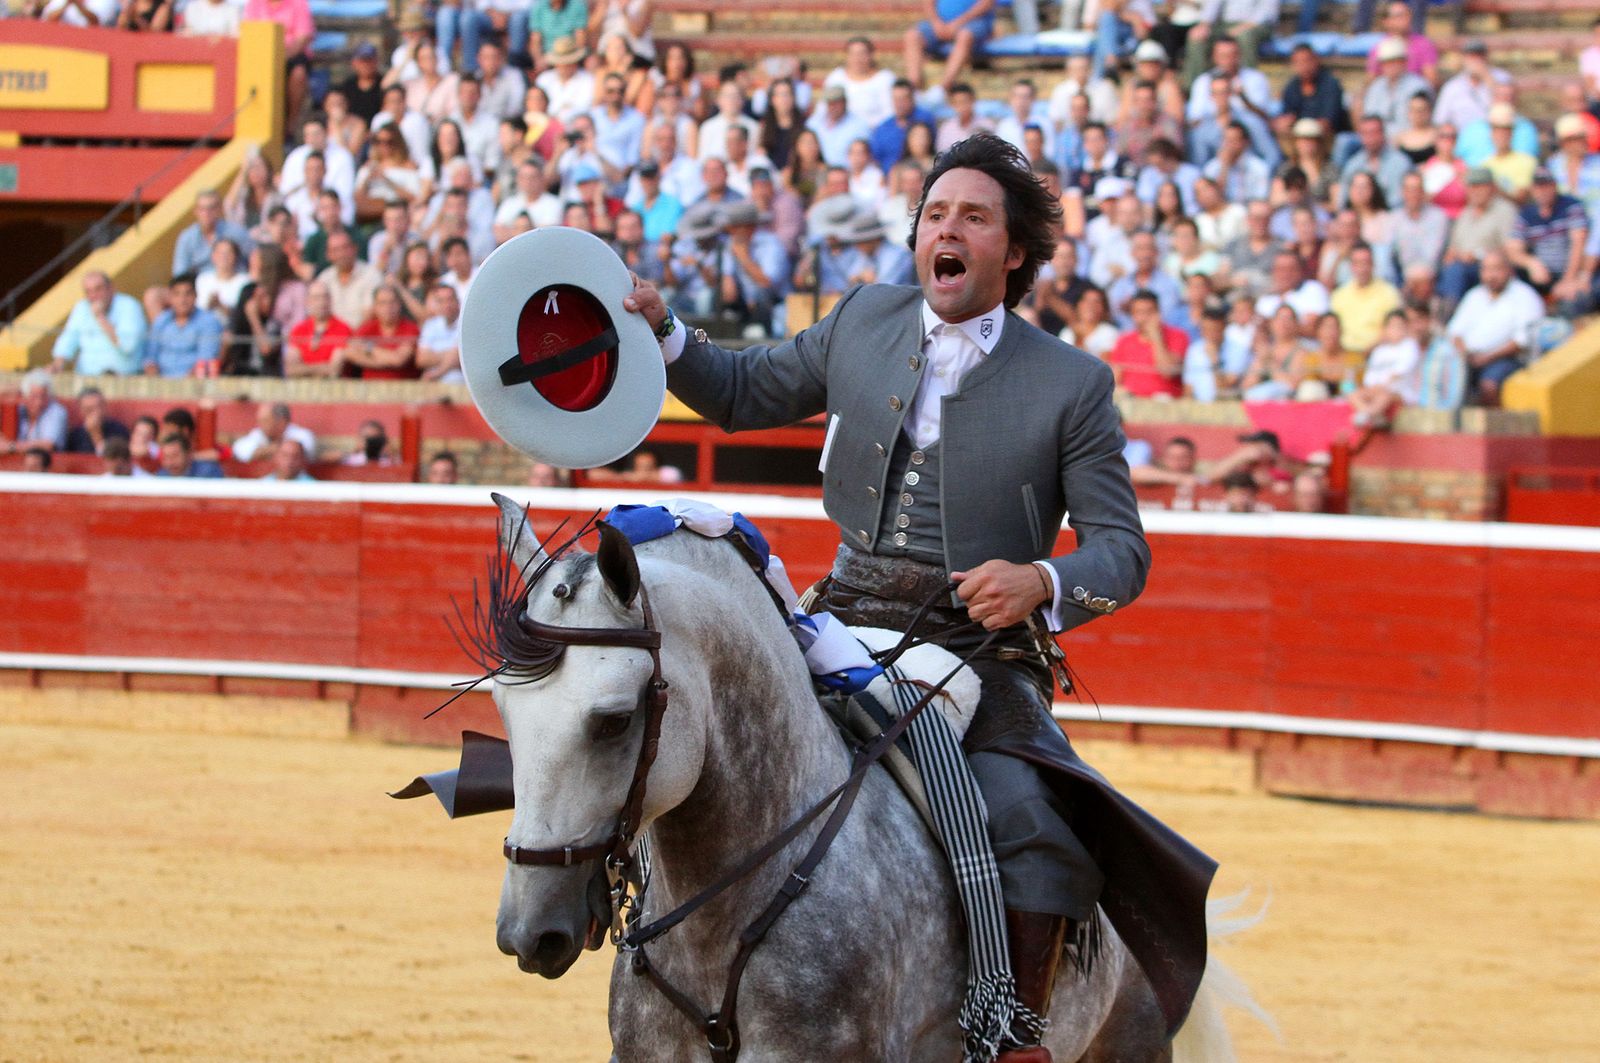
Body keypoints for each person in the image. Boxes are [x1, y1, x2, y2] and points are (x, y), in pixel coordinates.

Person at [622, 132, 1211, 1060]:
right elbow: (738, 389)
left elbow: (1122, 553)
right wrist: (664, 332)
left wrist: (1042, 580)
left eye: (974, 217)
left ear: (1011, 253)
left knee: (1032, 819)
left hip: (980, 649)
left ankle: (1013, 1031)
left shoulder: (1073, 384)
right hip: (838, 614)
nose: (949, 228)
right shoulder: (865, 318)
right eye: (936, 213)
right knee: (692, 732)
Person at [1446, 249, 1544, 406]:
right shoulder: (1474, 295)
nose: (1491, 275)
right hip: (1469, 358)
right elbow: (1455, 331)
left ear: (1509, 271)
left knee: (1488, 385)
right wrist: (1464, 353)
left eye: (1497, 269)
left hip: (1508, 359)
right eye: (1486, 269)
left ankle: (1496, 427)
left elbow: (1521, 341)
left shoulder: (1525, 296)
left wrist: (1486, 358)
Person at [51, 271, 148, 376]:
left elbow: (128, 346)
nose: (93, 296)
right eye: (88, 291)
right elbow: (68, 338)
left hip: (124, 377)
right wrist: (57, 365)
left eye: (98, 289)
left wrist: (101, 317)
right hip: (87, 376)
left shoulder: (129, 305)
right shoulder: (82, 307)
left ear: (111, 288)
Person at [903, 0, 995, 94]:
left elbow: (986, 4)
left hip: (973, 22)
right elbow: (928, 2)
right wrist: (936, 23)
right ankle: (914, 86)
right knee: (912, 36)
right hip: (939, 23)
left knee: (964, 36)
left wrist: (958, 23)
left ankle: (944, 88)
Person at [1109, 289, 1187, 397]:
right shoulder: (1124, 341)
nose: (1145, 317)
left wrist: (1156, 337)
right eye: (1139, 312)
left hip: (1166, 405)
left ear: (1158, 313)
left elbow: (1168, 372)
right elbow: (1115, 380)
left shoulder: (1178, 336)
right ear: (1133, 315)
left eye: (1149, 312)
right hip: (1133, 403)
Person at [1350, 309, 1421, 425]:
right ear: (1385, 329)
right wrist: (1375, 388)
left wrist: (1383, 386)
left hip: (1401, 392)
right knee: (1353, 393)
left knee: (1384, 395)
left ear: (1406, 328)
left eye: (1400, 326)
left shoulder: (1410, 346)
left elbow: (1401, 371)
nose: (1396, 330)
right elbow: (1370, 377)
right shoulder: (1379, 351)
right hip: (1377, 390)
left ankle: (1368, 413)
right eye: (1392, 326)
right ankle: (1371, 413)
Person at [143, 275, 224, 378]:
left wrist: (183, 386)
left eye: (188, 294)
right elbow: (150, 357)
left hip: (194, 384)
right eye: (177, 294)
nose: (182, 300)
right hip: (161, 383)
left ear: (196, 296)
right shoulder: (162, 320)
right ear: (170, 297)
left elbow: (205, 360)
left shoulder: (209, 321)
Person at [172, 191, 253, 279]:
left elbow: (254, 256)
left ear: (219, 209)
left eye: (211, 208)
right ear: (195, 211)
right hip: (202, 286)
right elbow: (180, 272)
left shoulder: (236, 231)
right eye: (202, 209)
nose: (207, 213)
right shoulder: (187, 237)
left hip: (235, 282)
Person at [232, 402, 317, 464]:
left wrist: (266, 451)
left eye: (265, 421)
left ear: (281, 422)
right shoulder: (259, 434)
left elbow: (303, 452)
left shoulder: (302, 435)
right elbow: (241, 450)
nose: (259, 425)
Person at [156, 432, 225, 478]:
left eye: (175, 456)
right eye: (166, 457)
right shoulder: (162, 475)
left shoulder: (208, 472)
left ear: (188, 454)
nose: (169, 462)